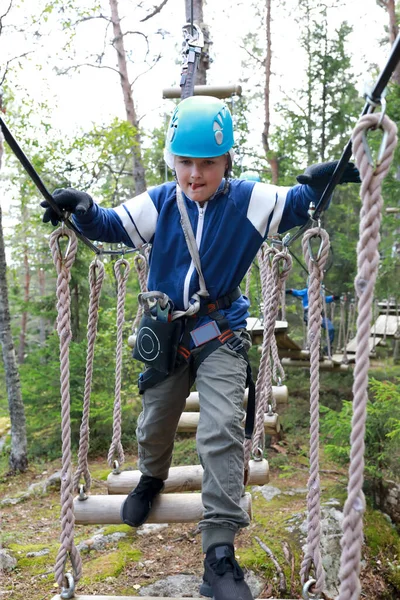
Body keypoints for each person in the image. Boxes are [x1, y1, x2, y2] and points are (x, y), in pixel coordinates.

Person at [41, 95, 360, 600]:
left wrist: (319, 184)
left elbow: (297, 205)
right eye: (185, 162)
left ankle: (218, 552)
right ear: (173, 162)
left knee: (221, 431)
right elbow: (109, 224)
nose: (195, 174)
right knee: (154, 421)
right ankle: (150, 478)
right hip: (168, 335)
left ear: (226, 161)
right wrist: (79, 210)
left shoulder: (249, 201)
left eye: (207, 162)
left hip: (222, 334)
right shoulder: (162, 202)